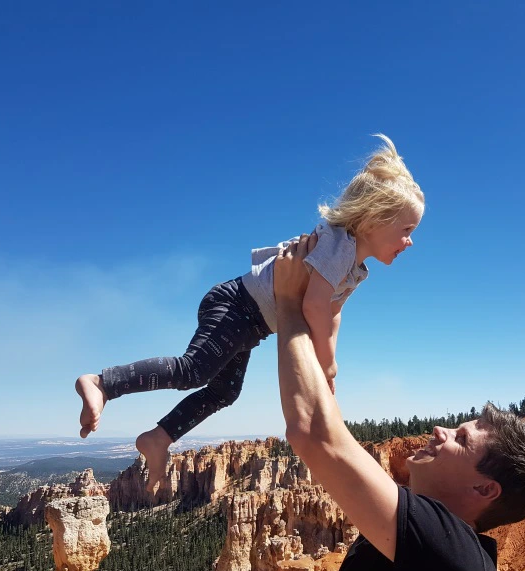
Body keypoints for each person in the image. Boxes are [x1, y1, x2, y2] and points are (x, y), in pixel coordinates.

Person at [75, 134, 425, 493]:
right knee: (195, 368)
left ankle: (159, 437)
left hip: (252, 323)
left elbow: (332, 315)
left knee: (225, 392)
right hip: (235, 305)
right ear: (372, 220)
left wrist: (326, 365)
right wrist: (326, 367)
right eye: (406, 230)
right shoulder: (338, 246)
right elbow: (313, 307)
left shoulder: (355, 268)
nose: (410, 241)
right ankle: (103, 383)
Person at [273, 234, 525, 571]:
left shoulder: (457, 561)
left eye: (462, 440)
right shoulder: (423, 548)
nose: (440, 430)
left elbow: (314, 432)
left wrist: (289, 303)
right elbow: (328, 427)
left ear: (485, 489)